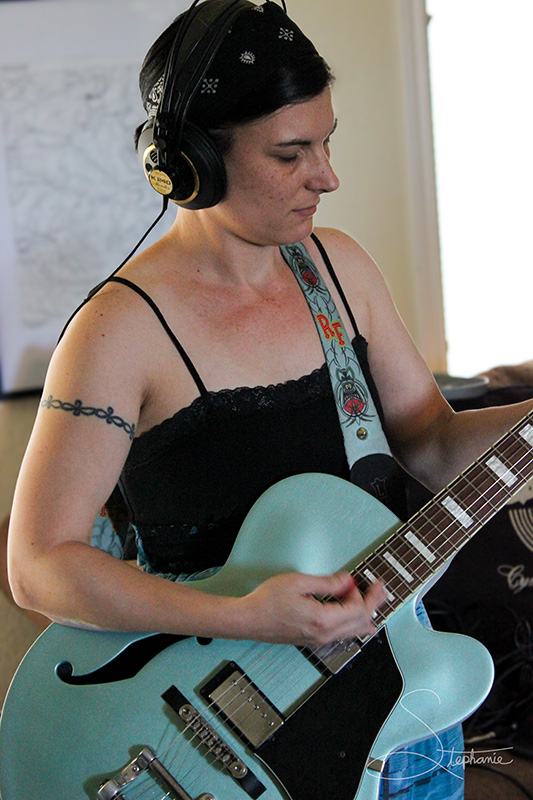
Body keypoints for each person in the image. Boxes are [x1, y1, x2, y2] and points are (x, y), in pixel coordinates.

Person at [6, 1, 533, 797]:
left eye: (327, 141)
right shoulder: (119, 330)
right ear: (193, 164)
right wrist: (247, 615)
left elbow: (425, 439)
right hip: (202, 731)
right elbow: (39, 567)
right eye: (292, 153)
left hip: (406, 712)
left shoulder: (339, 270)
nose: (326, 175)